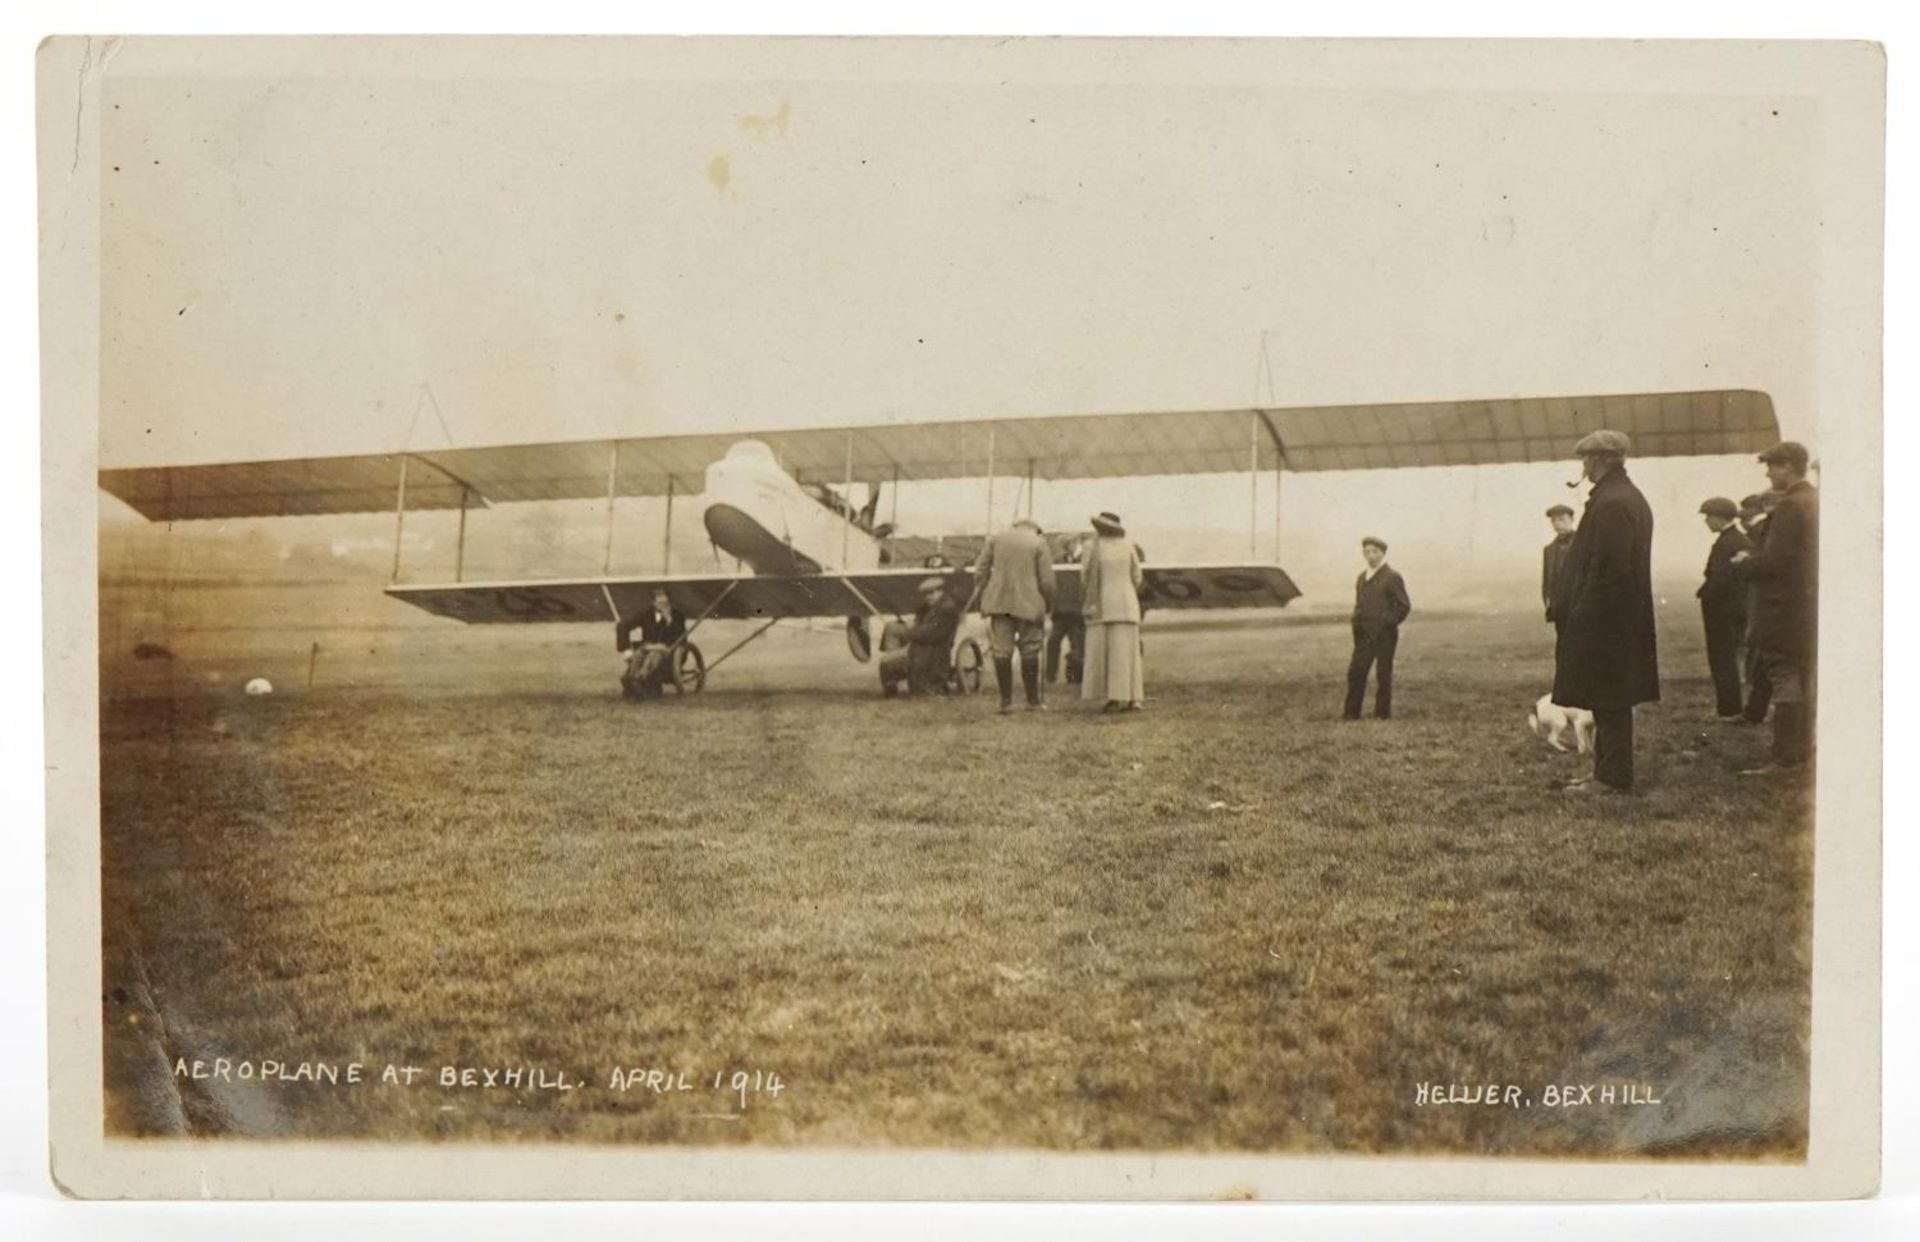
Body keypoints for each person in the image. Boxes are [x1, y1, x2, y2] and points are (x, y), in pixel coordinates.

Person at [1550, 430, 1658, 793]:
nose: (1584, 466)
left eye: (1587, 460)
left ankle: (1612, 778)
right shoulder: (1620, 497)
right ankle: (1606, 773)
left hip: (1606, 621)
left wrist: (1582, 613)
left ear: (1599, 461)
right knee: (1608, 697)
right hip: (1614, 619)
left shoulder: (1613, 502)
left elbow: (1609, 571)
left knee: (1610, 698)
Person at [1732, 442, 1818, 773]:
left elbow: (1774, 562)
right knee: (1802, 679)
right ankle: (1800, 753)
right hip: (1806, 609)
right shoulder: (1815, 500)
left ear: (1789, 466)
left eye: (1772, 467)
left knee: (1784, 678)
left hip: (1781, 611)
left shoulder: (1790, 506)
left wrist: (1745, 562)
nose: (1768, 474)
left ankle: (1784, 757)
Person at [970, 517, 1056, 713]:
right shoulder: (1039, 542)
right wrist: (1049, 603)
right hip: (1029, 604)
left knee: (1001, 651)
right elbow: (1047, 580)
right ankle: (1032, 701)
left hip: (999, 603)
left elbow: (980, 570)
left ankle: (1006, 701)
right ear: (1035, 529)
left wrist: (985, 592)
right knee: (1030, 649)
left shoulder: (996, 539)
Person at [1080, 512, 1145, 713]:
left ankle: (1115, 698)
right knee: (1128, 652)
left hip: (1102, 604)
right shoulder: (1129, 545)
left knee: (1107, 654)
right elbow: (1137, 576)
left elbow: (1085, 576)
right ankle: (1134, 698)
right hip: (1127, 603)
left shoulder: (1092, 546)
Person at [1696, 497, 1752, 719]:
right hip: (1733, 609)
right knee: (1727, 659)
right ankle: (1729, 707)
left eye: (1708, 516)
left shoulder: (1728, 542)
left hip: (1723, 611)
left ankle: (1728, 709)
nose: (1706, 521)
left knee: (1722, 659)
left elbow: (1720, 578)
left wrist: (1705, 592)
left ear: (1720, 517)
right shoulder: (1737, 539)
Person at [1343, 536, 1411, 720]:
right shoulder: (1361, 578)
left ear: (1383, 553)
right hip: (1364, 634)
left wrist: (1386, 622)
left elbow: (1404, 606)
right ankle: (1351, 713)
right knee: (1356, 671)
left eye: (1375, 552)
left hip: (1385, 635)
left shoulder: (1392, 577)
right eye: (1367, 552)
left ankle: (1382, 714)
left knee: (1383, 673)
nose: (1371, 556)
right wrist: (1356, 621)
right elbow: (1360, 604)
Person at [1734, 491, 1783, 724]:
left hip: (1769, 604)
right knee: (1764, 661)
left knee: (1769, 661)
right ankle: (1755, 711)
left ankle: (1757, 712)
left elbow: (1764, 564)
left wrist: (1746, 560)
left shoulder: (1766, 529)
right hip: (1768, 604)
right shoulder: (1769, 528)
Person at [879, 576, 962, 698]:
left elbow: (930, 634)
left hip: (932, 653)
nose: (928, 597)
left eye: (931, 593)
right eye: (926, 594)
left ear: (941, 591)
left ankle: (892, 683)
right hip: (923, 648)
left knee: (886, 662)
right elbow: (923, 628)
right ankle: (893, 679)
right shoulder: (934, 607)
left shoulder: (947, 609)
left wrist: (908, 633)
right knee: (891, 629)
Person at [615, 588, 687, 699]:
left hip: (669, 649)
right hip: (648, 647)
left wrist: (669, 622)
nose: (663, 606)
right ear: (653, 603)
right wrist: (626, 649)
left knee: (655, 654)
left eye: (665, 603)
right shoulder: (646, 614)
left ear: (669, 602)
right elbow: (622, 626)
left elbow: (681, 638)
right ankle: (631, 679)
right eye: (659, 603)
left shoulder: (678, 616)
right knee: (639, 654)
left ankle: (641, 677)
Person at [1047, 533, 1090, 685]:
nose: (1066, 548)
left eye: (1068, 544)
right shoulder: (1058, 561)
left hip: (1077, 612)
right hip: (1061, 612)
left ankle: (1076, 676)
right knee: (1052, 642)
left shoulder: (1086, 559)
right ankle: (1051, 675)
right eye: (1064, 546)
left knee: (1077, 644)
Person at [1541, 504, 1577, 623]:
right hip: (1559, 606)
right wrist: (1547, 600)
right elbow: (1547, 580)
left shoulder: (1583, 544)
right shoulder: (1549, 550)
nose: (1557, 524)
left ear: (1571, 520)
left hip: (1579, 605)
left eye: (1561, 519)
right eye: (1553, 520)